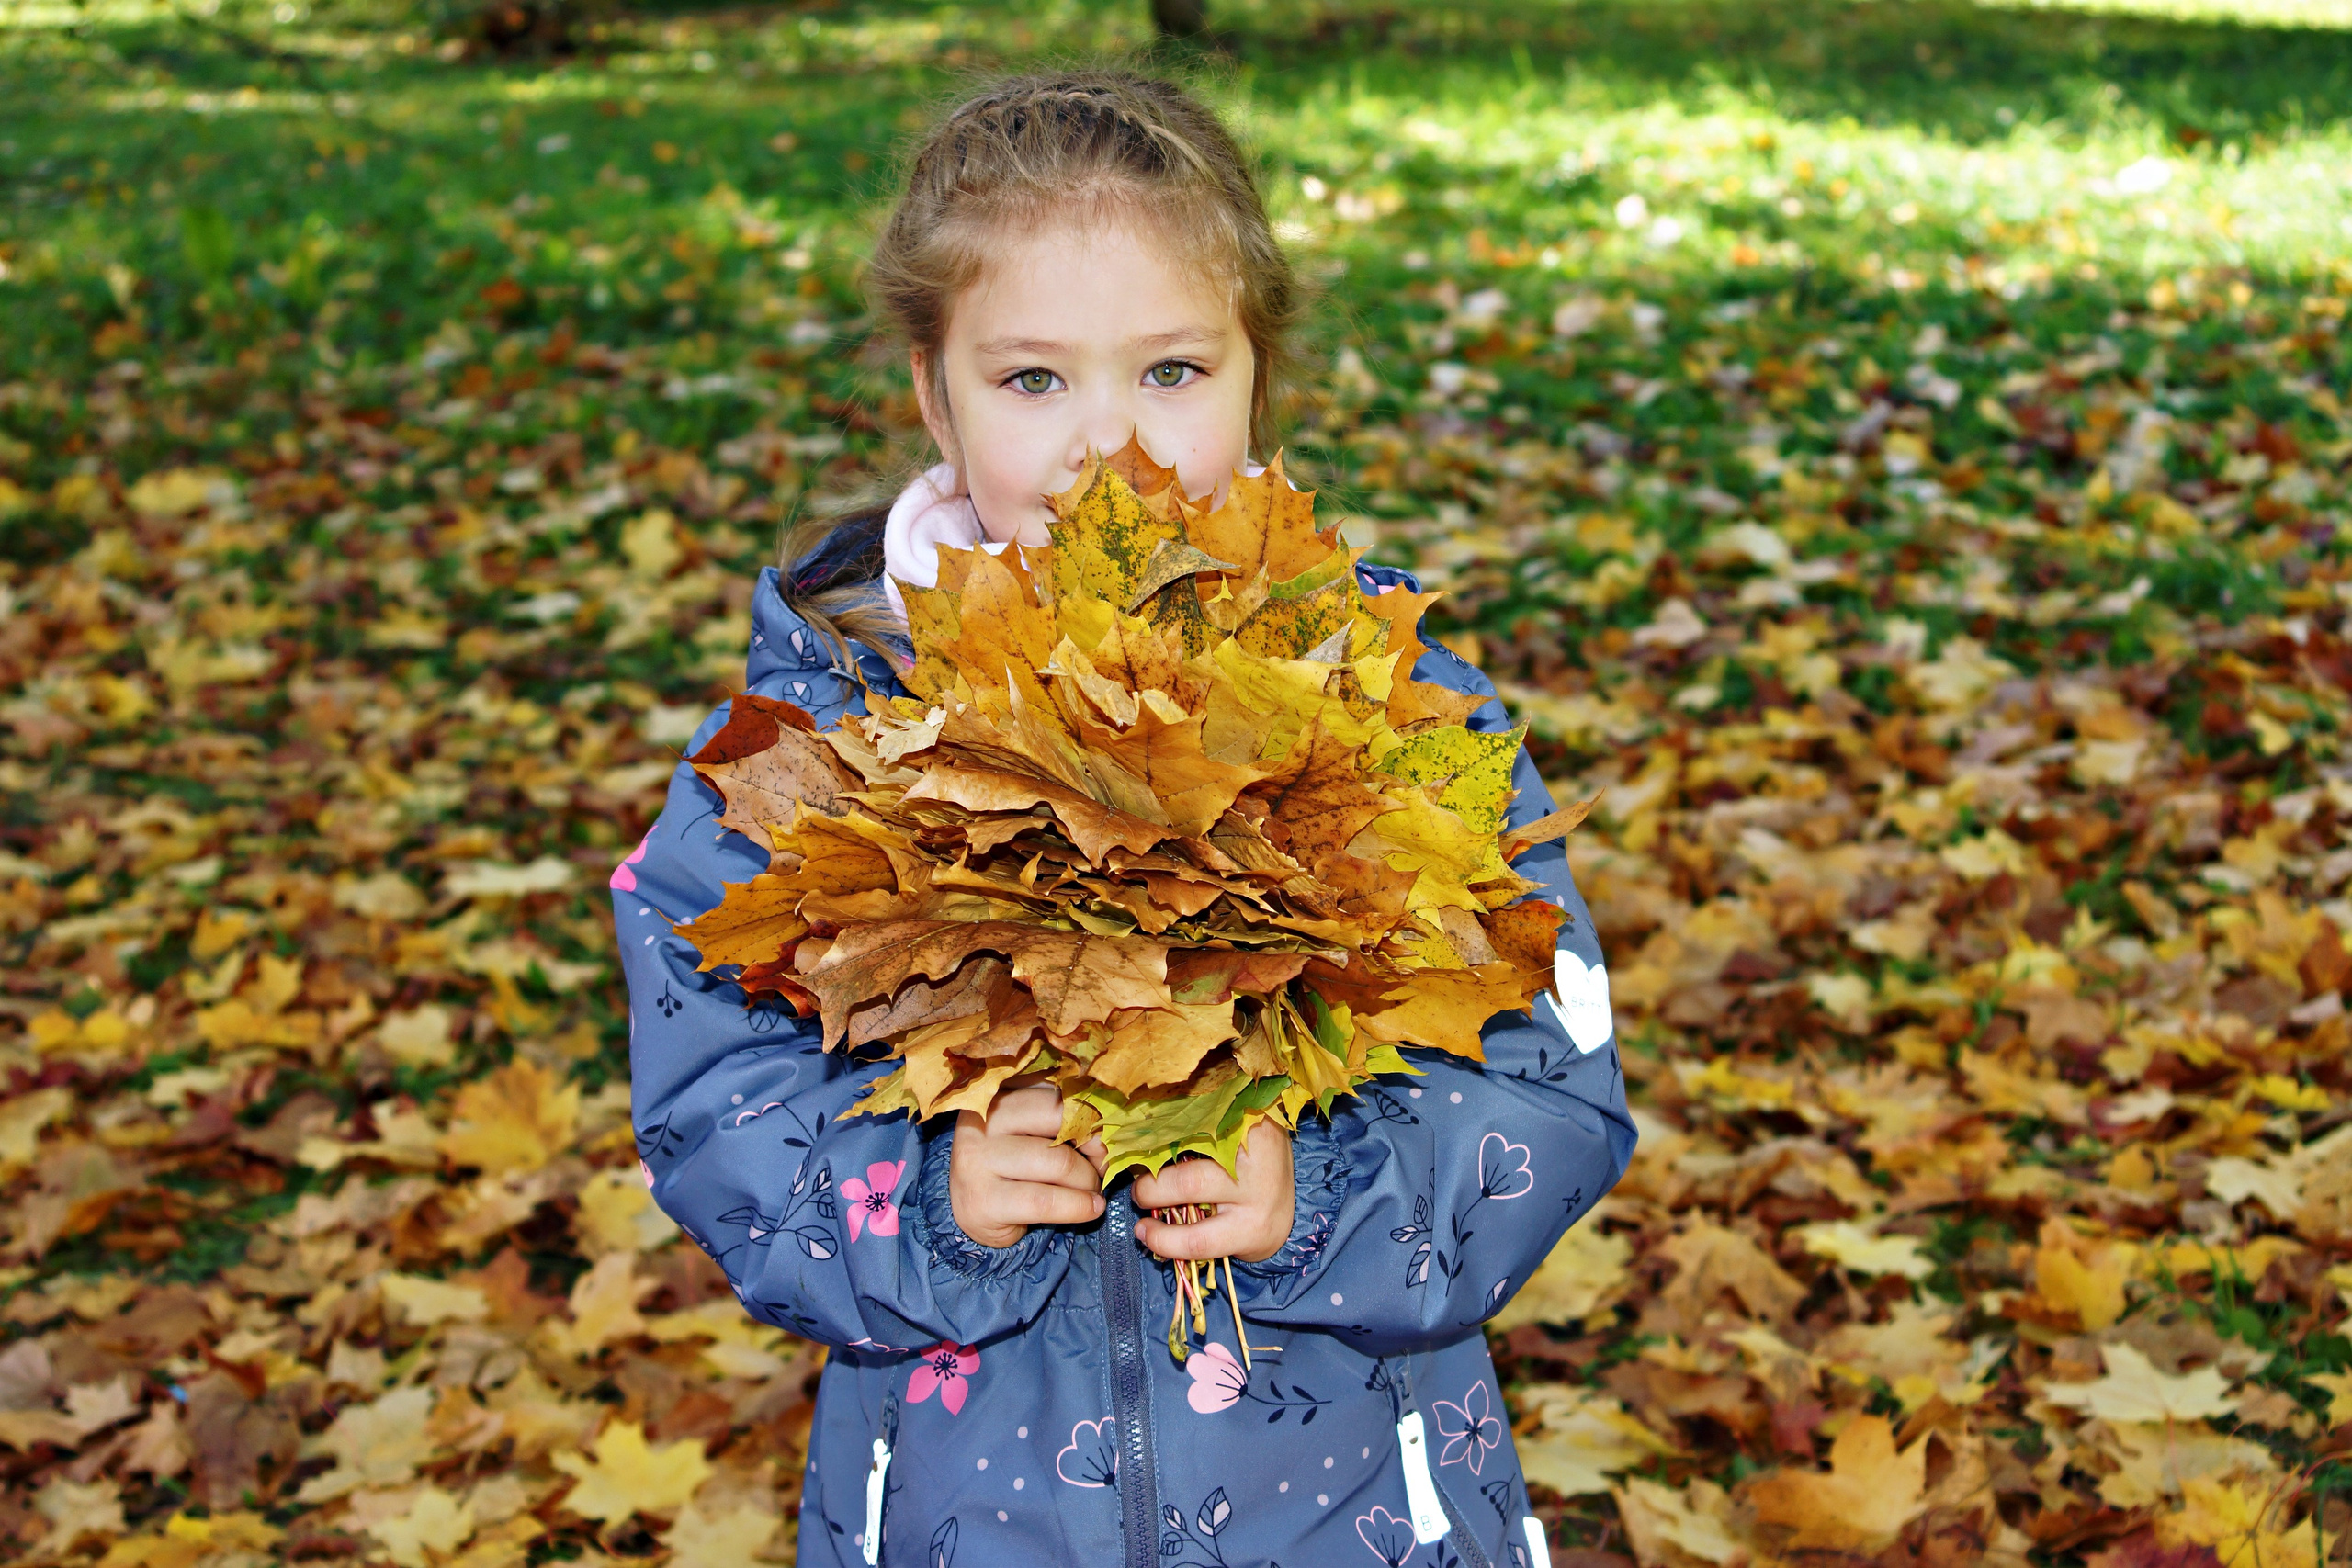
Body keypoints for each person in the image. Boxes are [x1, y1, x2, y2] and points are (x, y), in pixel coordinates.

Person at [616, 68, 1635, 1568]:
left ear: (1254, 373)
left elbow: (1555, 1094)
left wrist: (1326, 1192)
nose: (1113, 450)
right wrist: (930, 1203)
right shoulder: (816, 744)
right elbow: (713, 1117)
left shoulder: (1402, 715)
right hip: (972, 1520)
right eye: (1034, 381)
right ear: (933, 392)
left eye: (1171, 373)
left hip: (1358, 1518)